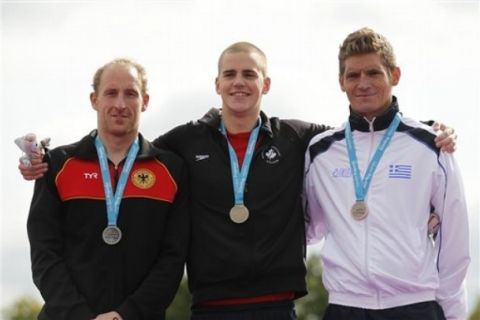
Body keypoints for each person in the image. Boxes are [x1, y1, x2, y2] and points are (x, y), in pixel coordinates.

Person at [19, 43, 457, 320]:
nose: (239, 82)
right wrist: (46, 160)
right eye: (230, 74)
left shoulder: (298, 136)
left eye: (249, 74)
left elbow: (362, 136)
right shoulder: (182, 145)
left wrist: (429, 132)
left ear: (265, 83)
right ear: (217, 84)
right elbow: (127, 145)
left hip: (278, 305)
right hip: (210, 306)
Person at [304, 28, 470, 320]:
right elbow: (309, 229)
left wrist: (454, 314)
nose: (363, 84)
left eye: (373, 73)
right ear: (341, 81)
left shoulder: (431, 145)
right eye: (353, 75)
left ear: (394, 75)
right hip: (345, 307)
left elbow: (454, 242)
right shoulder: (321, 152)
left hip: (415, 305)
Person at [26, 58, 189, 320]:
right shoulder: (57, 165)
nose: (120, 104)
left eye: (131, 94)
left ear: (145, 101)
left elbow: (172, 259)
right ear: (94, 99)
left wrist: (126, 315)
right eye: (111, 93)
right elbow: (44, 253)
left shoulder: (171, 170)